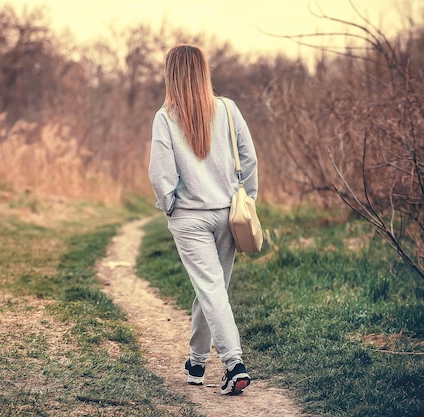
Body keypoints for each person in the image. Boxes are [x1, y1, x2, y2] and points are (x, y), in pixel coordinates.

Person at [148, 44, 258, 396]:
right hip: (228, 215)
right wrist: (248, 200)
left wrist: (169, 206)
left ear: (171, 75)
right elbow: (249, 159)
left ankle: (234, 364)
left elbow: (160, 174)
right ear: (203, 71)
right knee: (212, 289)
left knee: (211, 289)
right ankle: (196, 362)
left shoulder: (165, 117)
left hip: (189, 218)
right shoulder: (227, 109)